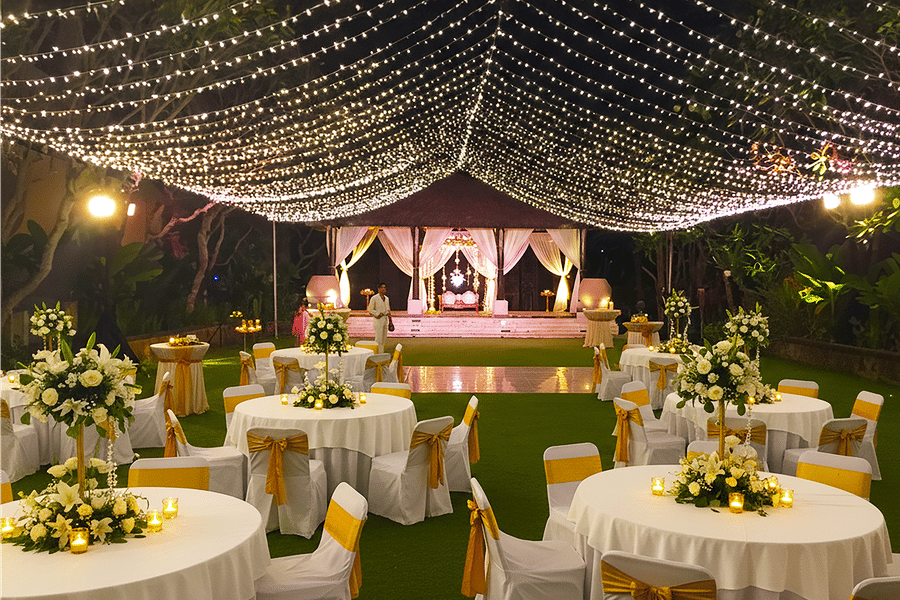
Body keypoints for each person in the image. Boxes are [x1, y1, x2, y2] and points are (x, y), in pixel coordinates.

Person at [367, 283, 391, 353]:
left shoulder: (386, 298)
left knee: (384, 337)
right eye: (382, 287)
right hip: (378, 319)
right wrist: (377, 314)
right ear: (378, 289)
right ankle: (376, 353)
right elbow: (370, 310)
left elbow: (388, 310)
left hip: (385, 319)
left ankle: (381, 352)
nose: (383, 289)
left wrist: (390, 320)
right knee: (378, 337)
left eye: (384, 287)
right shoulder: (374, 298)